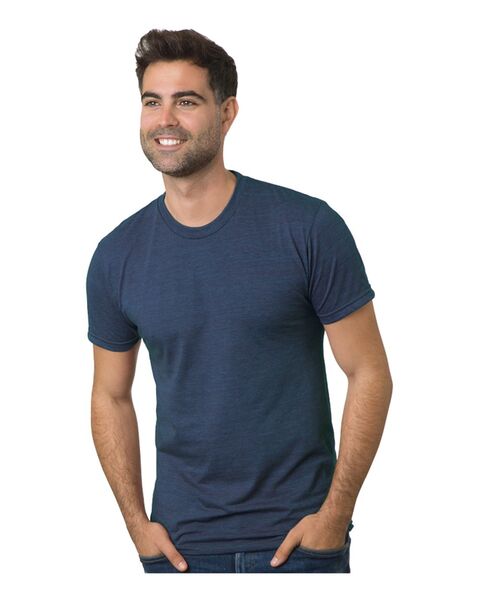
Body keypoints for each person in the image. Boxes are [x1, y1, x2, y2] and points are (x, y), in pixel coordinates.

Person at [85, 28, 393, 574]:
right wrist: (136, 524)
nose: (165, 119)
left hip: (302, 546)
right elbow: (110, 395)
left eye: (186, 102)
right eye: (152, 102)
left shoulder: (307, 228)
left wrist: (335, 513)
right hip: (180, 551)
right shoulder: (117, 256)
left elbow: (369, 371)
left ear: (227, 113)